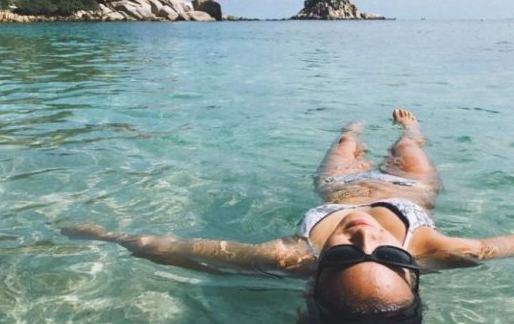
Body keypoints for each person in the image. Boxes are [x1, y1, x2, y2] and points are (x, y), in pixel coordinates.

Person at [62, 109, 514, 323]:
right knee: (407, 147)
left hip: (339, 187)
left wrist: (107, 236)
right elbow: (505, 243)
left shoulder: (290, 257)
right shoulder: (442, 250)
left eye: (343, 258)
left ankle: (350, 130)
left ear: (314, 278)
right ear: (413, 272)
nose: (366, 237)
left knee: (344, 146)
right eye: (391, 258)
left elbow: (178, 249)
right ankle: (410, 126)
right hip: (412, 188)